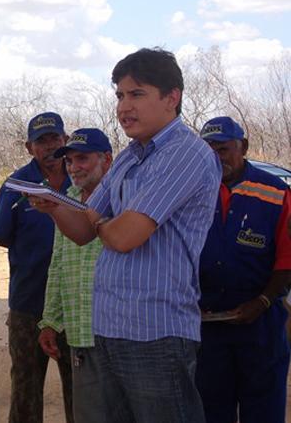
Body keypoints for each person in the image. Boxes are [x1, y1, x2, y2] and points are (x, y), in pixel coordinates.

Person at [29, 48, 221, 423]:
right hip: (109, 328)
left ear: (172, 97)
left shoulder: (186, 153)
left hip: (155, 332)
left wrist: (102, 221)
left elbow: (125, 236)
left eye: (136, 94)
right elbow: (85, 229)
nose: (123, 107)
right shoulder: (132, 156)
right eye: (119, 95)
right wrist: (53, 207)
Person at [196, 116, 291, 423]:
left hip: (261, 325)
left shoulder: (276, 192)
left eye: (223, 150)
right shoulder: (190, 193)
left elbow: (288, 260)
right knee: (210, 412)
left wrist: (263, 301)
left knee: (263, 411)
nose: (216, 158)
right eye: (208, 151)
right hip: (204, 327)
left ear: (244, 147)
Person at [0, 112, 73, 423]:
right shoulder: (16, 185)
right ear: (29, 147)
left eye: (54, 138)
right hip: (29, 302)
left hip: (74, 304)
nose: (49, 145)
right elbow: (0, 235)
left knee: (80, 389)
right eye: (41, 141)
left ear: (65, 140)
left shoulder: (80, 177)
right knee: (26, 386)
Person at [37, 128, 112, 422]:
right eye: (69, 161)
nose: (73, 167)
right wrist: (50, 321)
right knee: (88, 414)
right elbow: (58, 261)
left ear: (105, 159)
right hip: (79, 329)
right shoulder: (65, 198)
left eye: (82, 158)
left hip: (117, 331)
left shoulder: (125, 195)